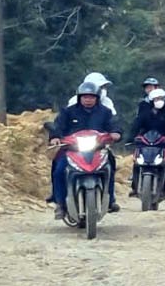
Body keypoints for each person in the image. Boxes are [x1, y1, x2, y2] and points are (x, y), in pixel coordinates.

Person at [49, 82, 119, 217]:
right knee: (58, 169)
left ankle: (110, 200)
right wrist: (55, 137)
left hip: (98, 149)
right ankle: (60, 203)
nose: (88, 100)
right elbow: (58, 126)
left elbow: (114, 125)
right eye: (85, 97)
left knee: (110, 165)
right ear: (79, 97)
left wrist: (116, 133)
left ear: (97, 98)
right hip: (72, 149)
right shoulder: (68, 112)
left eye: (91, 97)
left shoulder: (105, 112)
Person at [129, 86, 165, 197]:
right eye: (156, 99)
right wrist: (131, 138)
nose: (158, 101)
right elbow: (135, 126)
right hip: (145, 143)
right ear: (151, 101)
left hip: (163, 143)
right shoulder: (144, 114)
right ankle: (134, 187)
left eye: (161, 98)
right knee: (137, 163)